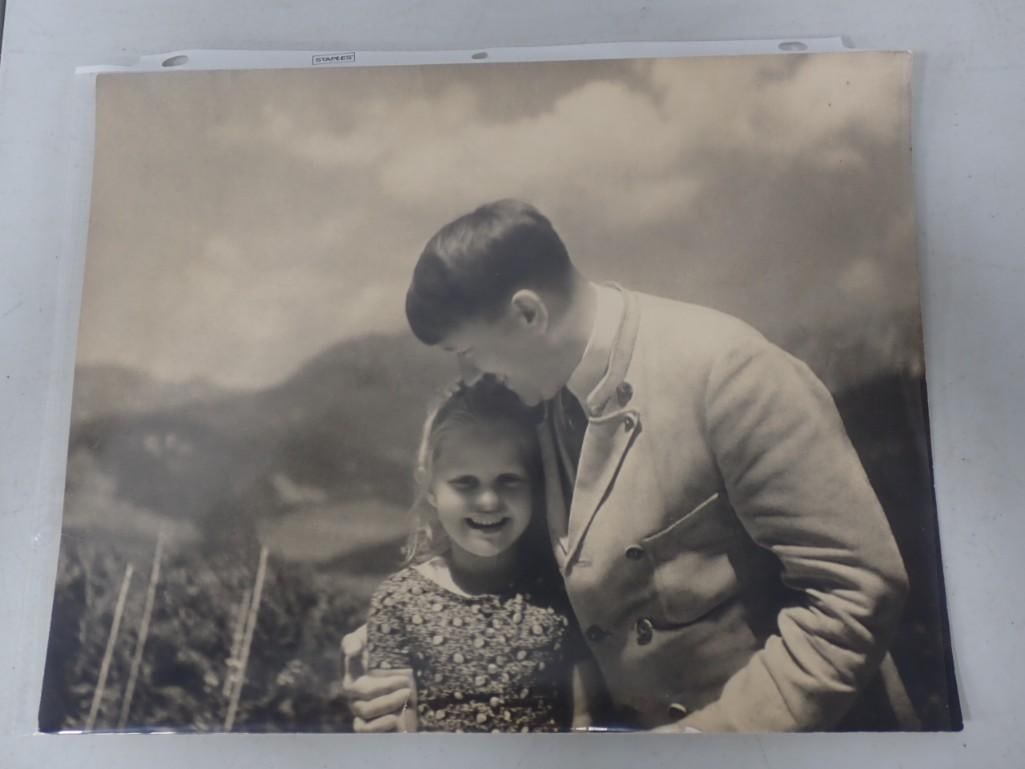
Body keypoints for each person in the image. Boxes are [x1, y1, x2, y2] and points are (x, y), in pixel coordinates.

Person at [344, 199, 917, 732]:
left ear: (526, 314)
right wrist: (413, 635)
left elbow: (856, 594)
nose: (474, 375)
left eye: (468, 351)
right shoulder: (542, 399)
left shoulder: (729, 374)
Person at [354, 375, 599, 732]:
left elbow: (584, 721)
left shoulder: (562, 594)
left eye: (508, 480)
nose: (488, 501)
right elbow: (396, 735)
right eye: (465, 483)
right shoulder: (399, 603)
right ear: (431, 489)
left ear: (534, 486)